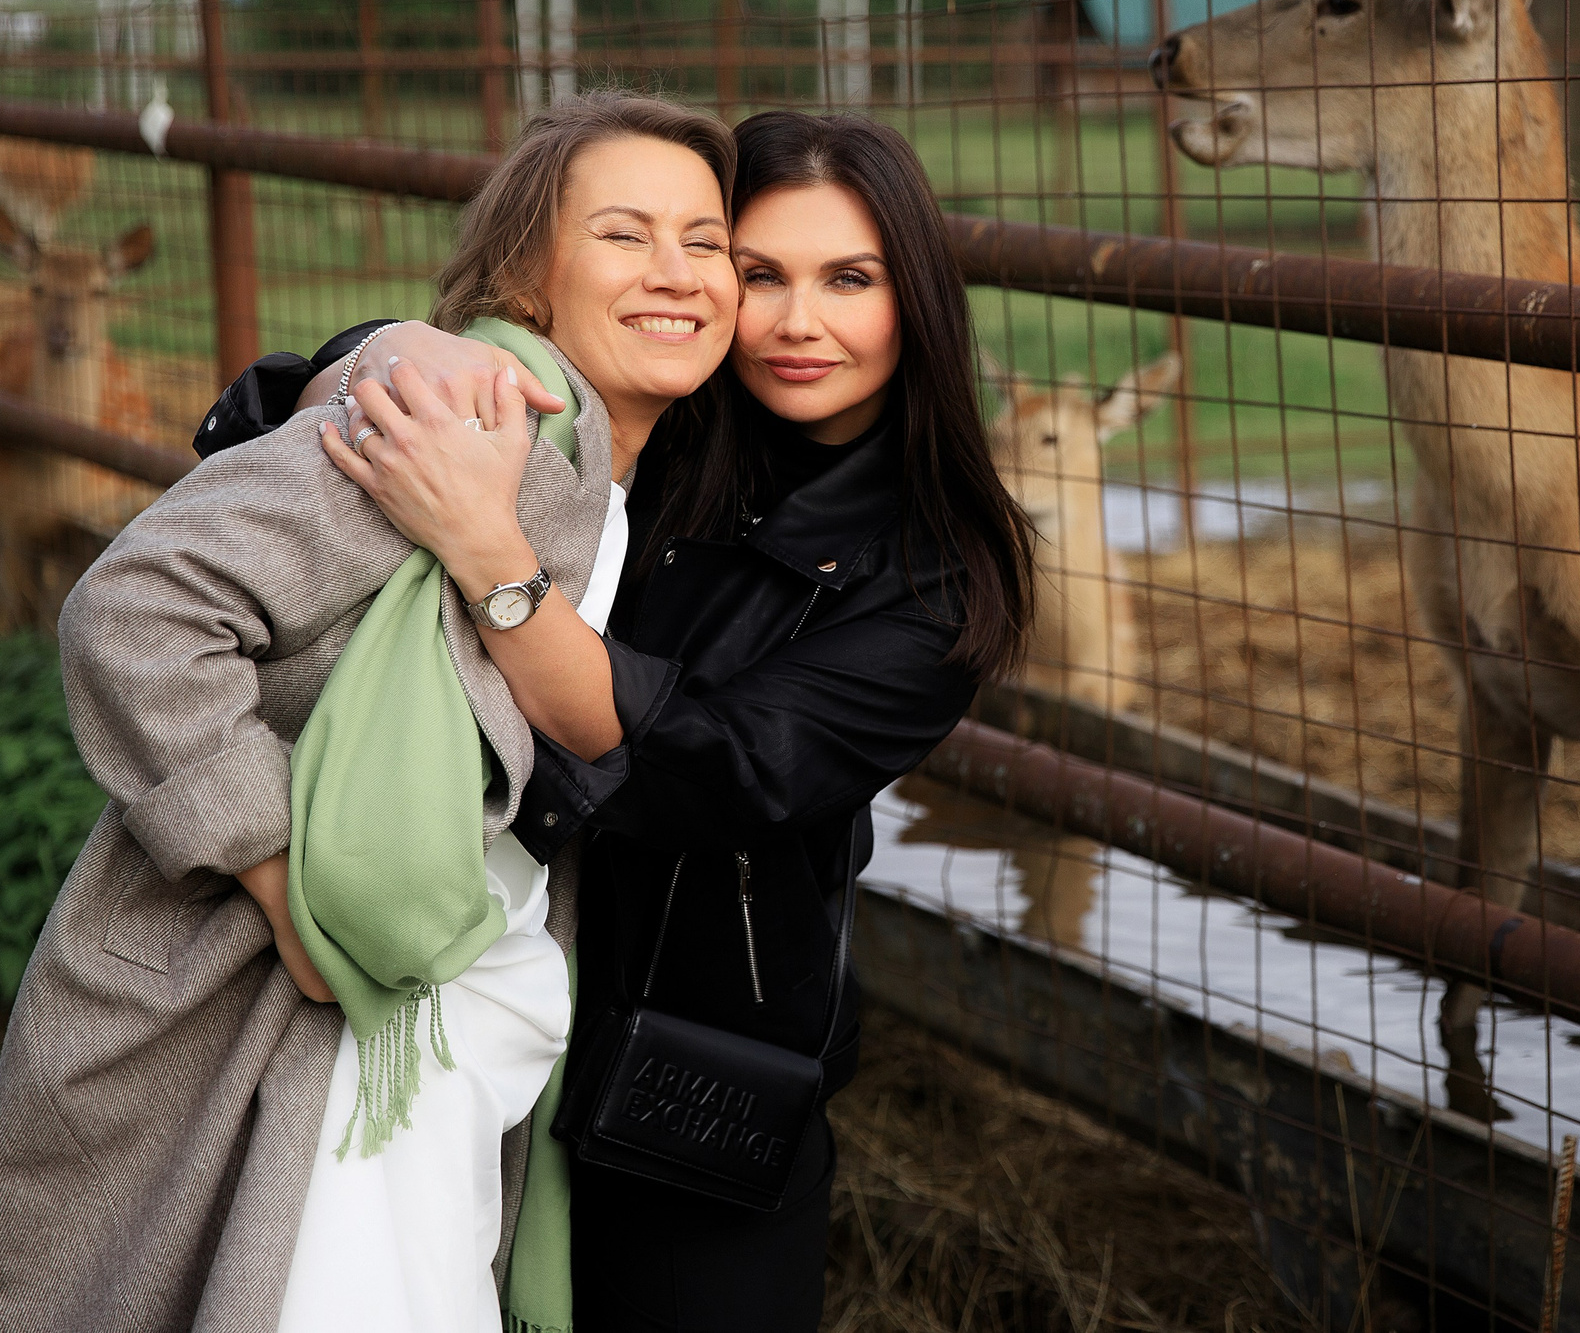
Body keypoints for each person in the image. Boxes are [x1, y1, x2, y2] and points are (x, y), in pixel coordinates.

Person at [198, 110, 1035, 1331]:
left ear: (916, 297)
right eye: (760, 273)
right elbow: (267, 417)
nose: (798, 323)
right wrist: (388, 351)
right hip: (448, 972)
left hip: (680, 1052)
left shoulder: (934, 573)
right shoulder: (645, 416)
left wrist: (491, 556)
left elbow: (714, 766)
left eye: (849, 279)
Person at [0, 92, 741, 1333]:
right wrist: (276, 876)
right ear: (527, 270)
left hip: (427, 1010)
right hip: (300, 1007)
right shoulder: (474, 416)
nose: (676, 271)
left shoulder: (603, 468)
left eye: (706, 241)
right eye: (622, 233)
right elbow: (138, 606)